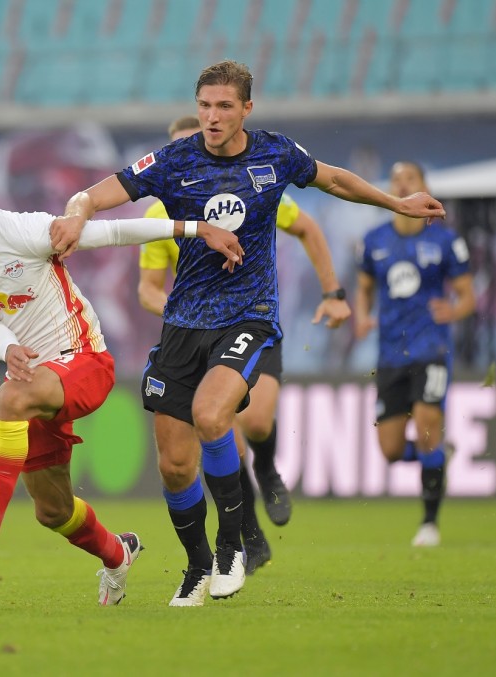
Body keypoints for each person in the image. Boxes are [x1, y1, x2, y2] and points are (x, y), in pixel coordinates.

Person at [51, 60, 445, 606]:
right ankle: (196, 567)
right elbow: (99, 195)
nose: (212, 117)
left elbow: (332, 179)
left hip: (248, 314)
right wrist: (76, 213)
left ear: (246, 110)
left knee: (216, 416)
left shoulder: (275, 153)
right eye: (205, 106)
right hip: (184, 322)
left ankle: (232, 545)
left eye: (224, 107)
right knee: (173, 463)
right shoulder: (173, 161)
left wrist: (394, 202)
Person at [0, 145, 241, 606]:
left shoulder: (20, 230)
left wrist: (196, 228)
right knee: (52, 511)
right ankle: (117, 554)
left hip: (84, 361)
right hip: (39, 378)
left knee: (9, 400)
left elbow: (110, 232)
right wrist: (7, 346)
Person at [137, 115, 352, 575]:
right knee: (222, 435)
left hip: (251, 320)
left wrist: (333, 292)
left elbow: (309, 228)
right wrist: (182, 315)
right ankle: (249, 539)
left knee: (254, 423)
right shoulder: (160, 218)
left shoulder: (249, 186)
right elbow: (148, 289)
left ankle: (269, 469)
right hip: (197, 334)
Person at [354, 161, 474, 547]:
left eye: (410, 179)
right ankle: (438, 455)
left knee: (425, 423)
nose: (402, 184)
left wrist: (453, 310)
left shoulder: (445, 240)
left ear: (425, 188)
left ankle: (429, 523)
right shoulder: (374, 239)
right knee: (390, 450)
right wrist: (362, 315)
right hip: (390, 352)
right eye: (395, 180)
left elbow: (468, 296)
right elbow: (365, 287)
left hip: (431, 347)